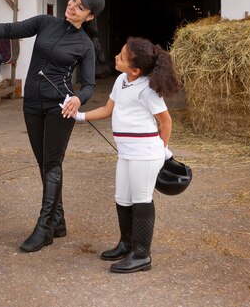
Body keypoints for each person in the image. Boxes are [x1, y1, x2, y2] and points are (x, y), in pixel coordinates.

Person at [0, 0, 105, 252]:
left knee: (52, 164)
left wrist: (78, 99)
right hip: (32, 103)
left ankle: (44, 227)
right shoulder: (45, 23)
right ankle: (57, 221)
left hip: (60, 107)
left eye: (80, 7)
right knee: (43, 163)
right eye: (73, 0)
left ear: (90, 17)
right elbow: (11, 29)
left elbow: (90, 86)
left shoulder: (85, 45)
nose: (72, 6)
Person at [74, 37, 180, 273]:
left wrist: (160, 151)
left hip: (145, 154)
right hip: (125, 153)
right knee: (122, 198)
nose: (116, 57)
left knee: (141, 200)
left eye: (121, 57)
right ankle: (126, 244)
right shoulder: (121, 80)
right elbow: (107, 109)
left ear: (136, 70)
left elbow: (165, 122)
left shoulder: (148, 90)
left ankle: (142, 255)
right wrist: (79, 116)